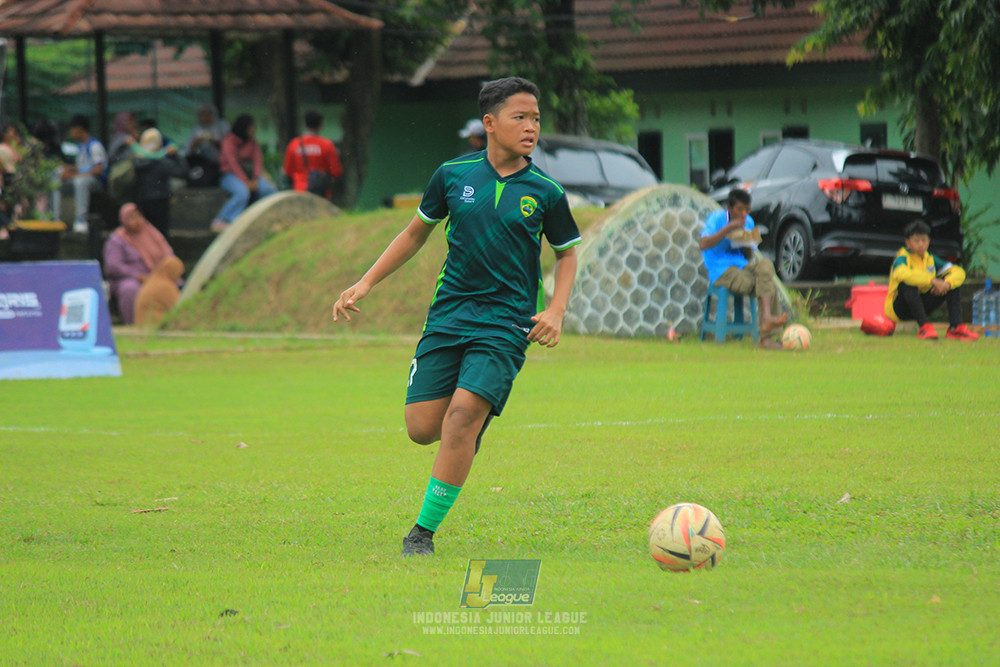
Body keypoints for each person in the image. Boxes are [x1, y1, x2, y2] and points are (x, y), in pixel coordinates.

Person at [333, 77, 581, 557]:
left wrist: (555, 309)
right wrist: (365, 282)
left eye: (535, 119)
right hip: (448, 316)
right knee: (422, 428)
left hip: (507, 323)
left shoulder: (546, 191)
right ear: (490, 124)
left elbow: (567, 254)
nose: (531, 127)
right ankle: (465, 432)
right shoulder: (452, 175)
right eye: (520, 117)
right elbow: (413, 235)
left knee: (461, 417)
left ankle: (420, 535)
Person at [700, 188, 787, 346]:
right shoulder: (716, 219)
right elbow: (703, 244)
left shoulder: (748, 222)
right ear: (729, 207)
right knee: (767, 285)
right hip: (721, 269)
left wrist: (745, 240)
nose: (743, 214)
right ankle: (766, 338)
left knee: (766, 266)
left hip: (742, 265)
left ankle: (767, 319)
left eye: (747, 210)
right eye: (739, 210)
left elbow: (749, 255)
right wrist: (728, 229)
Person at [882, 219, 978, 340]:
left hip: (921, 305)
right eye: (916, 241)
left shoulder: (931, 259)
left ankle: (955, 328)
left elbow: (958, 271)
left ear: (929, 241)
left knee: (953, 282)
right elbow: (903, 274)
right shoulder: (901, 259)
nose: (921, 244)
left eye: (924, 240)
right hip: (899, 310)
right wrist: (932, 281)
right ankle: (924, 327)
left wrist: (947, 284)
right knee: (908, 283)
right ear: (908, 243)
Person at [102, 203, 176, 325]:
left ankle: (169, 323)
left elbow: (168, 254)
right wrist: (138, 276)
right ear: (124, 219)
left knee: (170, 287)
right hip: (130, 278)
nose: (137, 221)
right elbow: (114, 266)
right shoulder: (117, 239)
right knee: (130, 289)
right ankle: (133, 324)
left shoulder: (152, 233)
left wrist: (161, 273)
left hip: (156, 276)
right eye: (131, 217)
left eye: (138, 216)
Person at [211, 114, 278, 233]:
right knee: (242, 192)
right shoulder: (229, 140)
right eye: (251, 128)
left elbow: (258, 161)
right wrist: (246, 182)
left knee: (268, 189)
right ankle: (223, 219)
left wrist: (256, 179)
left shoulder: (252, 141)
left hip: (250, 176)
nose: (253, 130)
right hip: (230, 175)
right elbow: (233, 164)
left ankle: (262, 217)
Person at [133, 128, 188, 240]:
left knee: (145, 233)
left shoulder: (136, 161)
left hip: (143, 199)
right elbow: (183, 171)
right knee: (160, 234)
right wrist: (176, 155)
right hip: (160, 200)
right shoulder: (161, 162)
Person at [55, 114, 107, 234]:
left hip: (96, 182)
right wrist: (67, 169)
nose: (71, 133)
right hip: (82, 177)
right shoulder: (81, 146)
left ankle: (81, 220)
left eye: (72, 130)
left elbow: (98, 170)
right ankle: (56, 218)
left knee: (80, 182)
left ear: (79, 129)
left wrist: (74, 175)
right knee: (57, 178)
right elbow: (82, 167)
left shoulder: (94, 145)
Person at [283, 110, 343, 198]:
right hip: (320, 192)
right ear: (321, 125)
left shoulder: (294, 144)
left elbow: (288, 170)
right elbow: (336, 171)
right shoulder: (327, 145)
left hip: (299, 191)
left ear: (304, 123)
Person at [185, 104, 229, 187]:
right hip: (203, 166)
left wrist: (214, 142)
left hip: (221, 165)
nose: (205, 117)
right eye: (203, 115)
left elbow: (227, 149)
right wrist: (196, 142)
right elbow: (188, 151)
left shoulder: (221, 126)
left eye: (208, 114)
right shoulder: (196, 129)